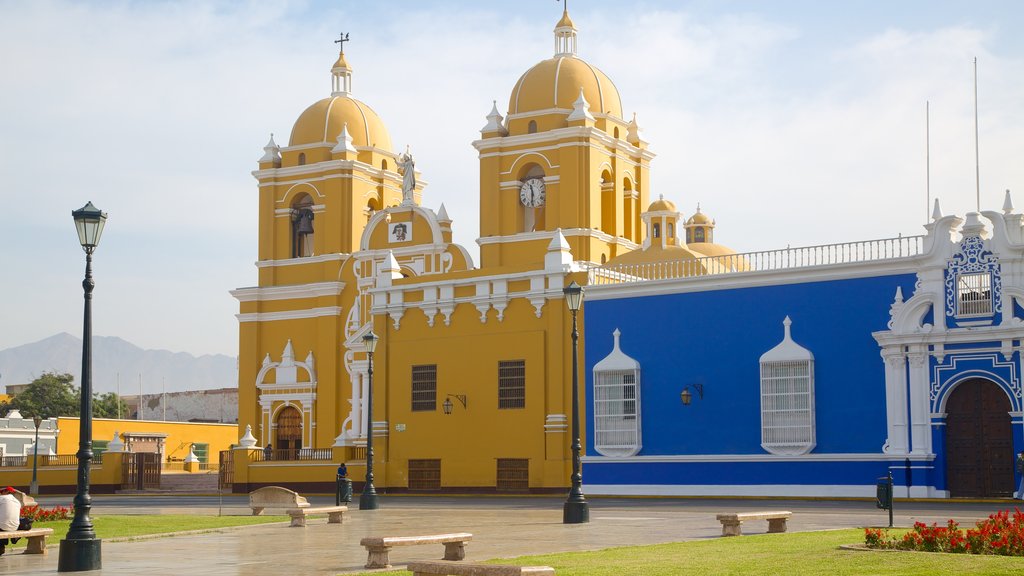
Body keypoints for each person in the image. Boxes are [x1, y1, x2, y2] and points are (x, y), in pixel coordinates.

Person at [0, 486, 30, 556]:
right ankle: (3, 545)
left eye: (2, 492)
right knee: (4, 523)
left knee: (3, 524)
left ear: (6, 492)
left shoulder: (1, 498)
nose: (1, 494)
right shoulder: (17, 501)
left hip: (2, 526)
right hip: (15, 527)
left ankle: (1, 547)